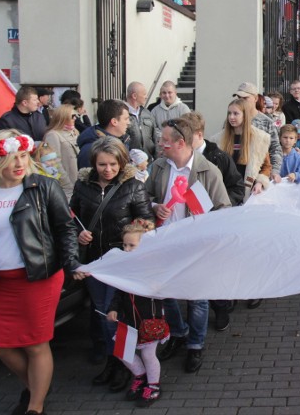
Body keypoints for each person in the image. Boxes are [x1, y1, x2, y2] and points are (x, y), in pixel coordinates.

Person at [0, 130, 82, 415]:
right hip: (3, 282)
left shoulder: (44, 187)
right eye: (11, 158)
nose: (19, 163)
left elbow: (65, 229)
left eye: (23, 156)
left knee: (36, 344)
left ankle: (35, 407)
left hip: (40, 278)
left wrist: (72, 263)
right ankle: (35, 386)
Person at [147, 117, 230, 374]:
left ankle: (195, 345)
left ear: (180, 142)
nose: (160, 144)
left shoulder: (208, 171)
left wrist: (205, 223)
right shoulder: (159, 167)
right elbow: (145, 196)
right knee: (166, 294)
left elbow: (224, 209)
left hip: (196, 246)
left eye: (165, 141)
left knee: (197, 299)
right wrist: (153, 206)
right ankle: (179, 333)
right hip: (165, 243)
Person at [71, 137, 154, 389]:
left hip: (121, 263)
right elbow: (72, 217)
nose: (107, 170)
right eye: (102, 164)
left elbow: (146, 223)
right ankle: (114, 359)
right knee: (101, 313)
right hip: (95, 262)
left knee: (114, 316)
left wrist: (130, 236)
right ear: (93, 164)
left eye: (113, 164)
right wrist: (78, 234)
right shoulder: (83, 186)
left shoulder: (133, 186)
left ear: (122, 162)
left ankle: (123, 365)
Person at [106, 220, 167, 408]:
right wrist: (113, 308)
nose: (126, 249)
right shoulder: (124, 266)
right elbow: (118, 290)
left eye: (131, 245)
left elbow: (161, 289)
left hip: (149, 321)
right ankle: (140, 376)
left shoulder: (154, 267)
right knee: (122, 352)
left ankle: (153, 385)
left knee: (149, 355)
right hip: (128, 320)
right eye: (124, 245)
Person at [217, 98, 272, 202]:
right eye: (229, 113)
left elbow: (266, 166)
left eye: (235, 113)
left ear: (245, 115)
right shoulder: (218, 139)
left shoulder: (259, 138)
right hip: (226, 193)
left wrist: (260, 182)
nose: (231, 117)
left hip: (248, 192)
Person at [233, 82, 283, 180]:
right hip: (235, 174)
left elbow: (275, 148)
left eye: (245, 98)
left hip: (259, 175)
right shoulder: (232, 120)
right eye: (239, 98)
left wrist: (274, 171)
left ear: (255, 99)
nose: (240, 101)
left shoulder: (266, 122)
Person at [77, 99, 131, 169]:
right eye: (126, 119)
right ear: (114, 122)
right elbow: (88, 178)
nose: (128, 122)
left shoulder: (122, 140)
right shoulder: (90, 150)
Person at [43, 104, 80, 200]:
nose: (75, 118)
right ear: (63, 117)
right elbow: (51, 163)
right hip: (66, 185)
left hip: (77, 182)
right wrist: (66, 182)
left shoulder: (74, 132)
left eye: (76, 115)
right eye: (72, 116)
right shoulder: (52, 135)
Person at [125, 81, 156, 160]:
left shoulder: (147, 113)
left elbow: (154, 136)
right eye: (144, 94)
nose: (146, 97)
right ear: (134, 96)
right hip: (130, 164)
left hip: (148, 163)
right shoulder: (122, 114)